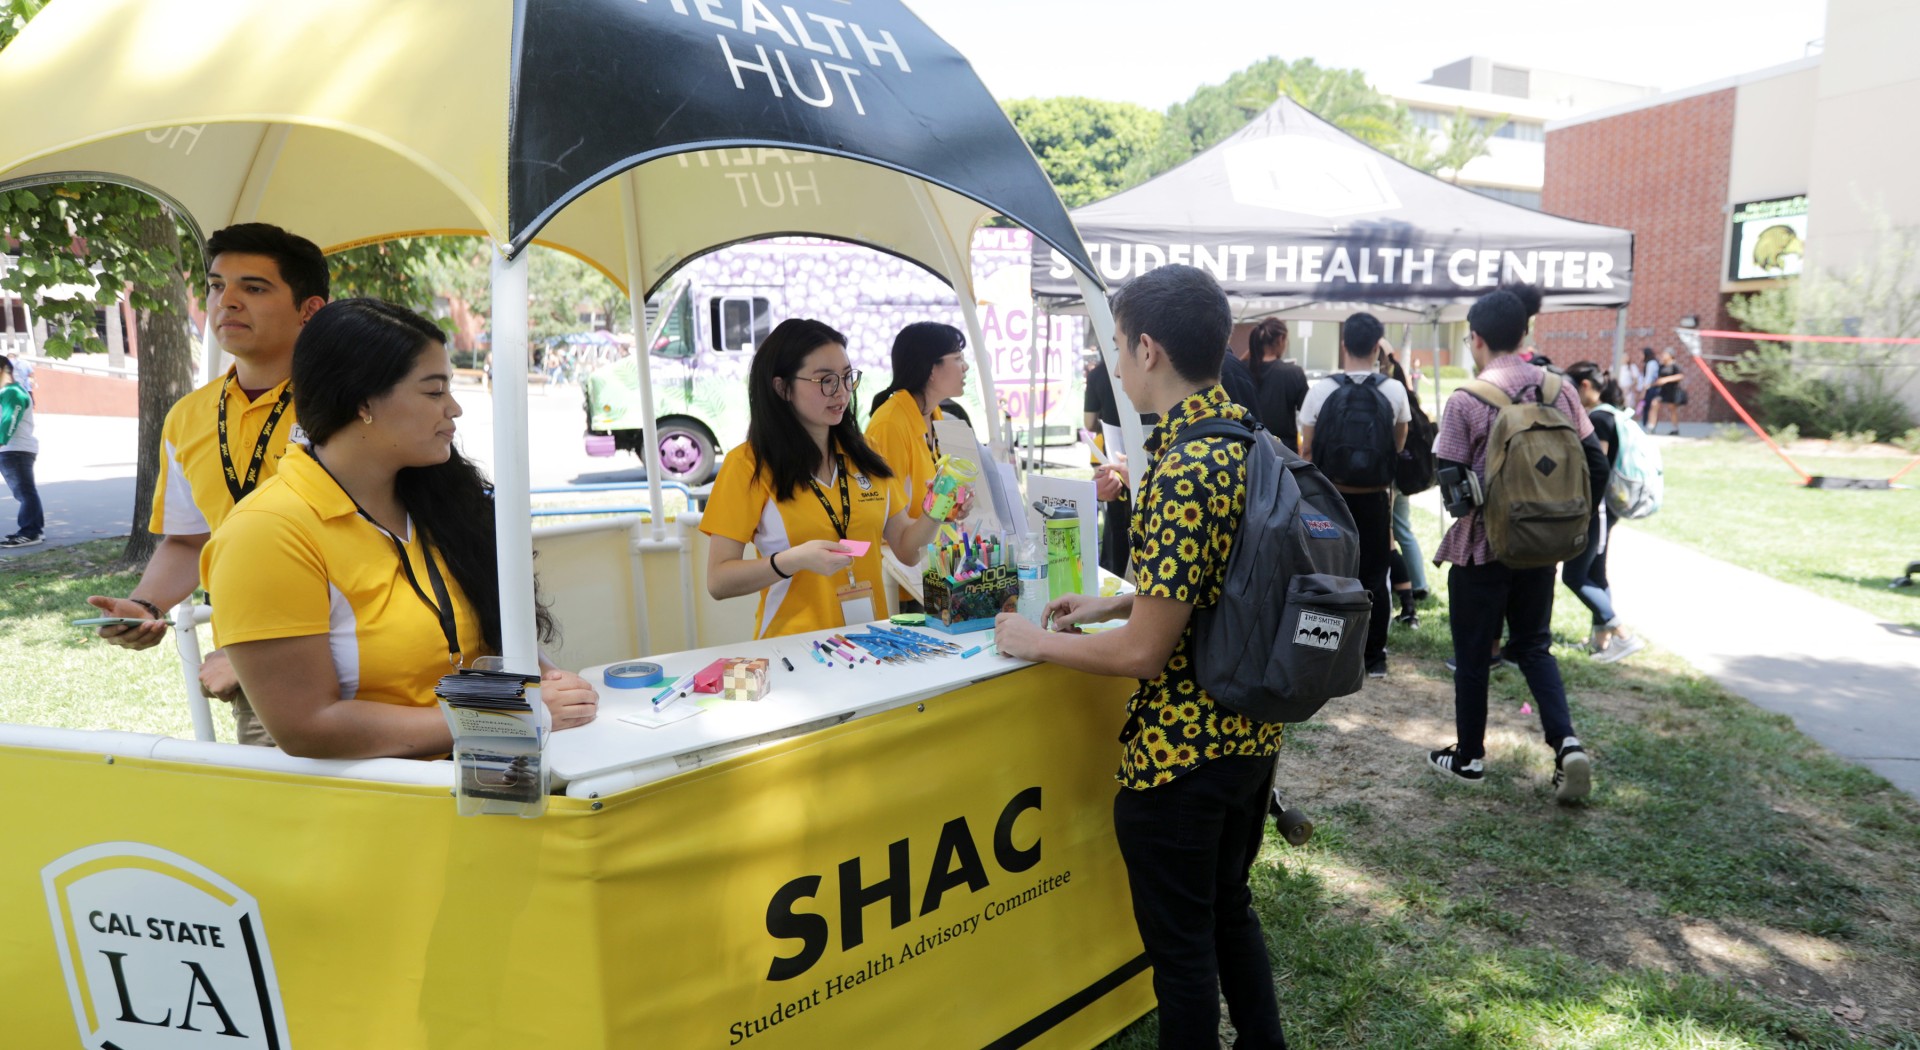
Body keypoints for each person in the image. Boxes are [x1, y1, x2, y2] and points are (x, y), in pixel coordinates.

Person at [995, 264, 1289, 1050]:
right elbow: (1221, 578)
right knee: (1229, 910)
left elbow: (1144, 655)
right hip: (1249, 739)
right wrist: (1115, 599)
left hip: (1179, 760)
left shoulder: (1184, 465)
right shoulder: (1242, 437)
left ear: (1149, 349)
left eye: (1117, 347)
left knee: (1182, 957)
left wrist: (1038, 641)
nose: (1115, 364)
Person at [203, 299, 599, 758]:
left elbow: (486, 636)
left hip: (486, 774)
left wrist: (547, 680)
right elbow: (308, 725)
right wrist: (512, 713)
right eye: (433, 392)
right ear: (362, 402)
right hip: (380, 804)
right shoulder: (266, 534)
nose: (454, 409)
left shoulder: (439, 499)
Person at [87, 223, 329, 746]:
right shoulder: (188, 416)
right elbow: (190, 539)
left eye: (254, 288)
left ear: (310, 310)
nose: (228, 302)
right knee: (277, 821)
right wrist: (145, 608)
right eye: (218, 286)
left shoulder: (350, 401)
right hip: (260, 680)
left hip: (369, 656)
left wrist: (263, 649)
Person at [1428, 283, 1597, 802]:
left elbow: (1450, 479)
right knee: (1535, 647)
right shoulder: (1560, 389)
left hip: (1483, 549)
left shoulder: (1466, 400)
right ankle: (1566, 743)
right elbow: (1596, 460)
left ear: (1475, 339)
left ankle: (1470, 757)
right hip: (1541, 546)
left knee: (1474, 655)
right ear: (1524, 334)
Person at [703, 318, 948, 639]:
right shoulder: (747, 464)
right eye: (825, 380)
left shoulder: (867, 454)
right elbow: (719, 582)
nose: (841, 392)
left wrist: (938, 507)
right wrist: (791, 561)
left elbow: (906, 548)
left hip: (871, 644)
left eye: (847, 378)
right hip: (792, 649)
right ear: (782, 387)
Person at [1299, 313, 1409, 679]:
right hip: (1376, 498)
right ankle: (1373, 657)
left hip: (1332, 499)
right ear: (1378, 346)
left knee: (1329, 573)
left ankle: (1327, 651)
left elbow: (1307, 450)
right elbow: (1399, 443)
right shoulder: (1393, 390)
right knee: (1375, 576)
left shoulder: (1321, 389)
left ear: (1344, 344)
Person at [865, 321, 972, 607]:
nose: (966, 367)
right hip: (904, 581)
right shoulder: (889, 425)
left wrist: (951, 508)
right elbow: (891, 522)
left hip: (935, 568)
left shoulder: (933, 413)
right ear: (932, 369)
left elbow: (928, 501)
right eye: (958, 358)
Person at [1563, 362, 1645, 664]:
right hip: (1607, 507)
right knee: (1596, 573)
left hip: (1595, 507)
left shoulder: (1597, 419)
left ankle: (1624, 635)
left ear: (1585, 386)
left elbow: (1596, 465)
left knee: (1573, 576)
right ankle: (1603, 643)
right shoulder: (1613, 413)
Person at [1381, 345, 1430, 619]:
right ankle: (1419, 585)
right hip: (1405, 474)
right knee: (1403, 530)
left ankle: (1406, 597)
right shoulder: (1405, 392)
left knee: (1389, 537)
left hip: (1390, 477)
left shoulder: (1387, 392)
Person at [1247, 318, 1307, 452]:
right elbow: (1307, 413)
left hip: (1248, 449)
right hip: (1284, 452)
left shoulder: (1243, 370)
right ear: (1281, 339)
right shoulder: (1294, 373)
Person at [0, 354, 41, 548]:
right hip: (12, 450)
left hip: (15, 450)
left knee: (25, 492)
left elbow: (9, 421)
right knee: (25, 492)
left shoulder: (13, 393)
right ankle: (32, 530)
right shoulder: (8, 392)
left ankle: (30, 532)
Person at [1647, 347, 1685, 435]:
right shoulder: (1662, 366)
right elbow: (1659, 377)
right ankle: (1651, 426)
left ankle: (1675, 428)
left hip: (1672, 390)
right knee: (1654, 404)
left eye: (1665, 354)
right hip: (1663, 390)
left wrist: (1666, 379)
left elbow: (1680, 376)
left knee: (1672, 409)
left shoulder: (1675, 366)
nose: (1663, 356)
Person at [1635, 347, 1660, 427]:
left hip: (1650, 388)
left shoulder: (1651, 363)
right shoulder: (1650, 363)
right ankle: (1648, 424)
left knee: (1647, 407)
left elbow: (1648, 378)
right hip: (1650, 388)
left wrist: (1643, 391)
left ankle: (1647, 424)